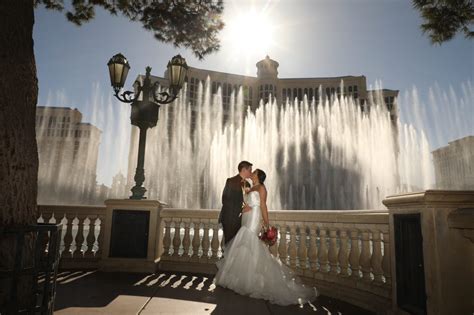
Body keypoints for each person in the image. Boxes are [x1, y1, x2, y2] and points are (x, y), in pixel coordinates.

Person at [215, 169, 318, 306]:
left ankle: (250, 281)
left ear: (258, 176)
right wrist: (246, 207)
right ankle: (243, 277)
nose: (252, 173)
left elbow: (263, 205)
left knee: (248, 239)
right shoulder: (252, 187)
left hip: (254, 218)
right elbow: (249, 202)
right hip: (247, 216)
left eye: (254, 172)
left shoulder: (262, 188)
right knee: (245, 242)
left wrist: (266, 223)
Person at [218, 161, 253, 245]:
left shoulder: (248, 184)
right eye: (250, 170)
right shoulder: (231, 181)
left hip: (241, 220)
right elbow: (226, 200)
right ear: (244, 170)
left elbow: (244, 200)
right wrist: (242, 209)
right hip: (229, 219)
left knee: (237, 246)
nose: (251, 173)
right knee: (229, 245)